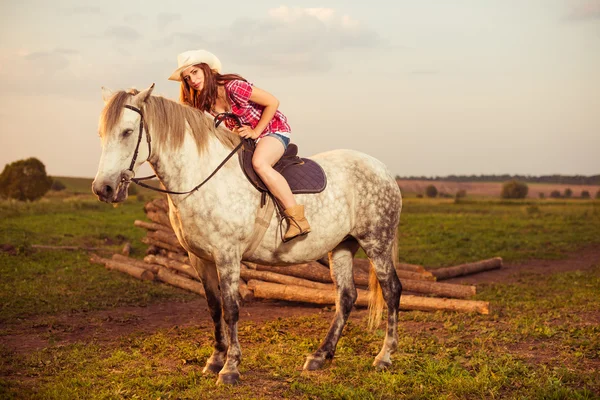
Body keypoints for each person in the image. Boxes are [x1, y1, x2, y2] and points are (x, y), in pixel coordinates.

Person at [168, 49, 310, 242]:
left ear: (206, 69)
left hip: (271, 130)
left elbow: (272, 102)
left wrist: (255, 132)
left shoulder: (233, 87)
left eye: (194, 72)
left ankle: (298, 219)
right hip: (245, 138)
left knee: (260, 163)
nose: (192, 80)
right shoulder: (204, 100)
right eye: (187, 78)